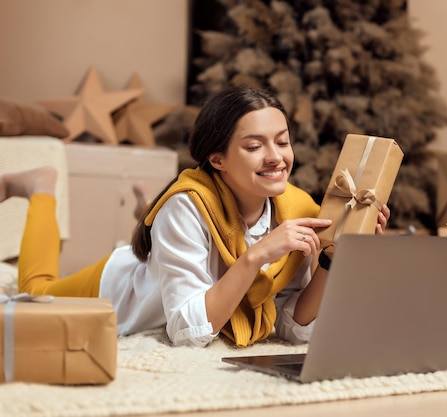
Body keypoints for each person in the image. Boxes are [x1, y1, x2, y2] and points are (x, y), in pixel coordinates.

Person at [1, 86, 390, 348]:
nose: (276, 156)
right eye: (255, 146)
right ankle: (41, 186)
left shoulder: (299, 209)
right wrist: (255, 256)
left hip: (165, 260)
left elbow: (291, 323)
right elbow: (186, 331)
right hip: (116, 290)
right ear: (217, 159)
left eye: (283, 141)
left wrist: (330, 259)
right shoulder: (189, 204)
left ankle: (142, 210)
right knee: (35, 291)